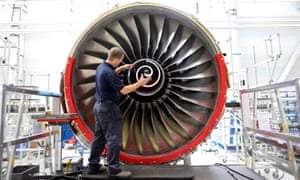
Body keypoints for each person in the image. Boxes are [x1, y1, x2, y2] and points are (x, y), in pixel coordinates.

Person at [88, 46, 150, 177]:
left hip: (98, 106)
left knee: (99, 138)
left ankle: (93, 166)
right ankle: (114, 170)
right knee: (114, 139)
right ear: (118, 58)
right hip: (109, 108)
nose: (121, 63)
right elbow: (124, 90)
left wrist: (122, 68)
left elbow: (110, 75)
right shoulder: (109, 73)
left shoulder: (101, 68)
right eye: (121, 61)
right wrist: (141, 82)